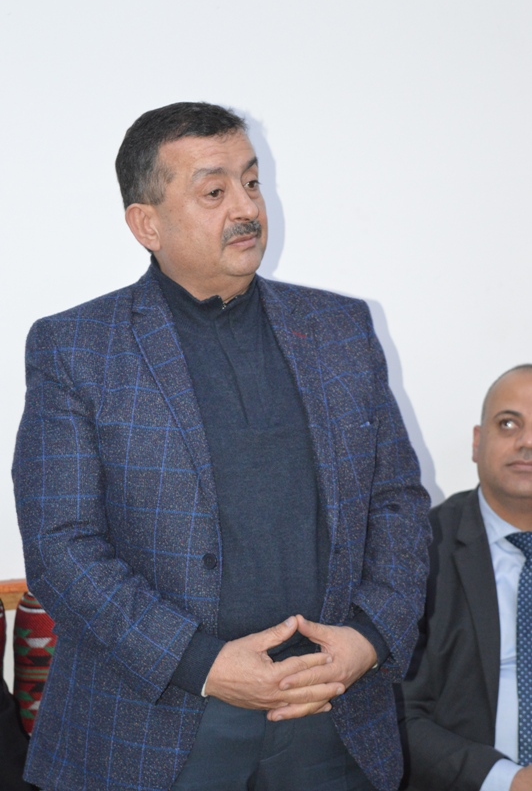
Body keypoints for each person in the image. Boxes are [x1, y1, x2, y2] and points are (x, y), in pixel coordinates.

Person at [13, 101, 430, 791]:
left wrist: (370, 638)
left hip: (332, 716)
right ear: (146, 223)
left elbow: (397, 502)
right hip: (153, 729)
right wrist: (202, 663)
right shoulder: (77, 348)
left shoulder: (340, 330)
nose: (247, 207)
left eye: (252, 182)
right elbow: (62, 546)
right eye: (214, 191)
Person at [400, 364, 532, 791]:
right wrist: (508, 781)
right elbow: (391, 709)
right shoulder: (415, 552)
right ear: (477, 442)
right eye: (508, 423)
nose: (527, 442)